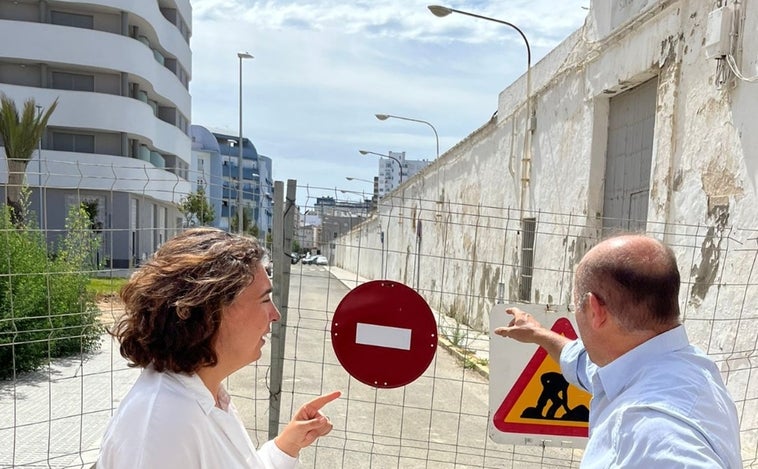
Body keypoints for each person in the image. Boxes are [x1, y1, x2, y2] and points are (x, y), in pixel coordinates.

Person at [97, 227, 340, 468]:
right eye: (265, 299)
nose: (275, 315)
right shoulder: (162, 427)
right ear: (210, 311)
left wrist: (287, 447)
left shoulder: (205, 396)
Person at [495, 234, 742, 468]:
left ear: (595, 310)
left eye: (576, 307)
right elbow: (585, 366)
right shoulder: (688, 366)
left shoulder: (646, 431)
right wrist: (538, 334)